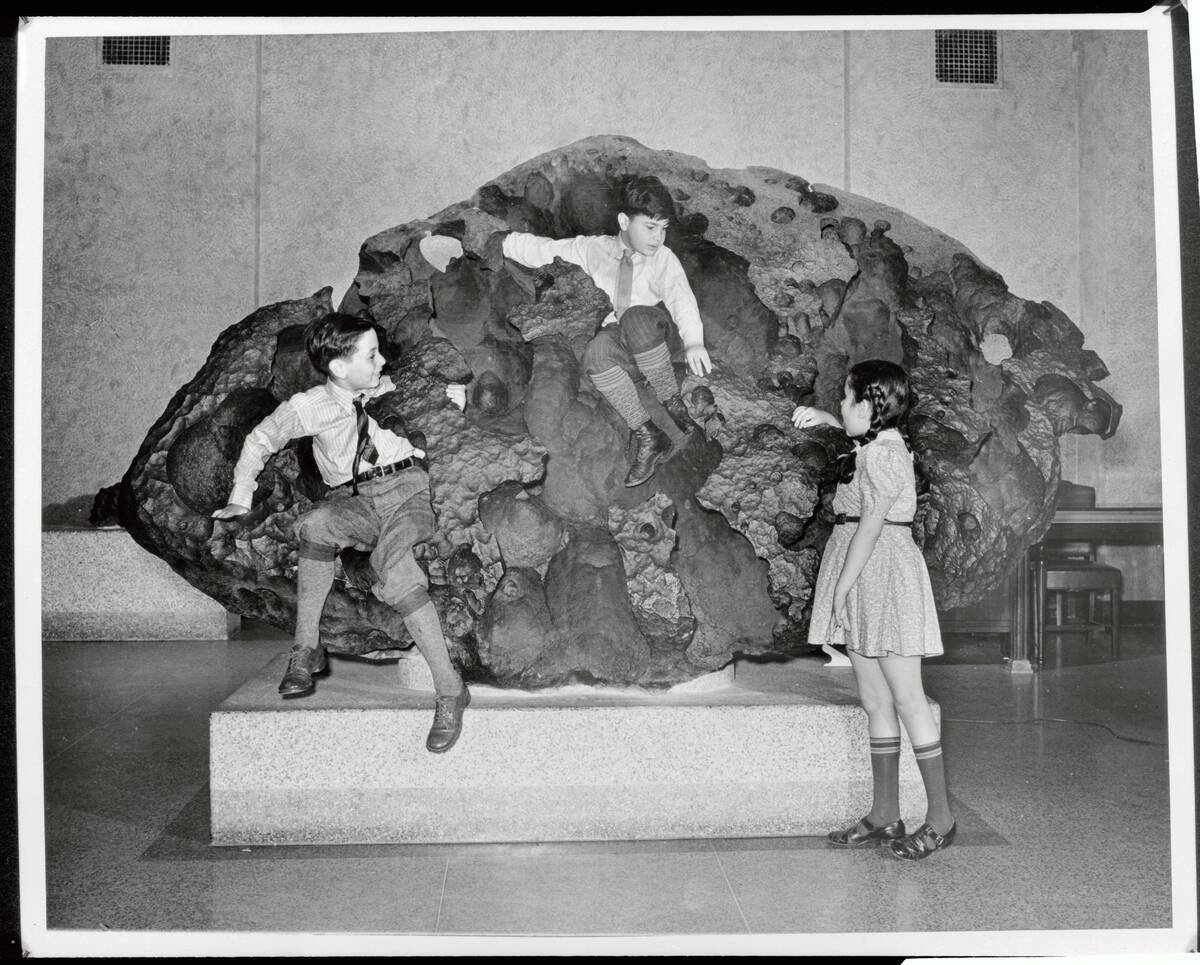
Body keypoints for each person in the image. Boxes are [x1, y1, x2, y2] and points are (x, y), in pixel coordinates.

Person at [212, 312, 471, 753]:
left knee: (394, 571)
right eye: (371, 355)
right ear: (338, 366)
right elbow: (260, 439)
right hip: (358, 500)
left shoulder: (396, 387)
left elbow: (451, 416)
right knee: (317, 524)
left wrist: (455, 399)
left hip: (409, 494)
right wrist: (241, 495)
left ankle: (449, 690)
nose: (382, 361)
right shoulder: (312, 406)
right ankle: (305, 647)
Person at [792, 359, 957, 859]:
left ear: (869, 405)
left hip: (882, 571)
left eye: (846, 399)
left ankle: (941, 819)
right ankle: (885, 814)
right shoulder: (873, 445)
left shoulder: (886, 455)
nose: (841, 406)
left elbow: (869, 527)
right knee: (875, 700)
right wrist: (829, 419)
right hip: (863, 567)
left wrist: (840, 589)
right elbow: (858, 441)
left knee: (908, 699)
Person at [485, 175, 712, 487]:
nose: (658, 237)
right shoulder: (593, 249)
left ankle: (672, 402)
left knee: (635, 319)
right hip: (622, 346)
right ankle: (648, 434)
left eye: (663, 229)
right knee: (595, 352)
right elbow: (545, 250)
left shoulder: (662, 259)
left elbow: (681, 298)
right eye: (650, 227)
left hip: (654, 337)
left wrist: (694, 341)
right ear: (624, 221)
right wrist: (505, 242)